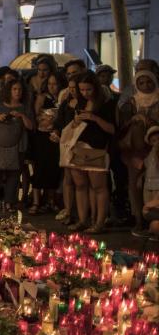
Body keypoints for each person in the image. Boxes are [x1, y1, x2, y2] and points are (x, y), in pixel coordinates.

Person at [65, 72, 117, 233]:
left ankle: (99, 222)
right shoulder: (80, 103)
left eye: (88, 89)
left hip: (96, 148)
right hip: (78, 146)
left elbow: (112, 129)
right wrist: (75, 121)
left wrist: (94, 118)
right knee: (80, 185)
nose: (85, 93)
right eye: (81, 90)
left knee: (98, 187)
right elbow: (73, 126)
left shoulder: (106, 104)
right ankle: (83, 220)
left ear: (95, 87)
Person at [117, 70, 159, 232]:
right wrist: (134, 119)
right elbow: (122, 124)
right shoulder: (132, 102)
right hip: (135, 150)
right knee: (135, 185)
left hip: (155, 148)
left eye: (149, 82)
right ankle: (138, 218)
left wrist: (149, 120)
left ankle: (153, 219)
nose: (146, 86)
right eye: (141, 83)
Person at [0, 79, 33, 211]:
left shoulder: (25, 108)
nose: (17, 92)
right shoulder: (0, 106)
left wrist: (21, 116)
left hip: (17, 146)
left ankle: (9, 201)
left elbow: (30, 126)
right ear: (9, 91)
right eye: (14, 89)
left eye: (20, 89)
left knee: (14, 175)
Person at [30, 72, 64, 214]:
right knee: (39, 168)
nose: (52, 87)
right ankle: (36, 201)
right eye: (49, 84)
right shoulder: (42, 97)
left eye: (55, 84)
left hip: (56, 136)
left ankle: (51, 200)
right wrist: (45, 119)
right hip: (42, 136)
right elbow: (35, 116)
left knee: (53, 169)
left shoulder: (63, 98)